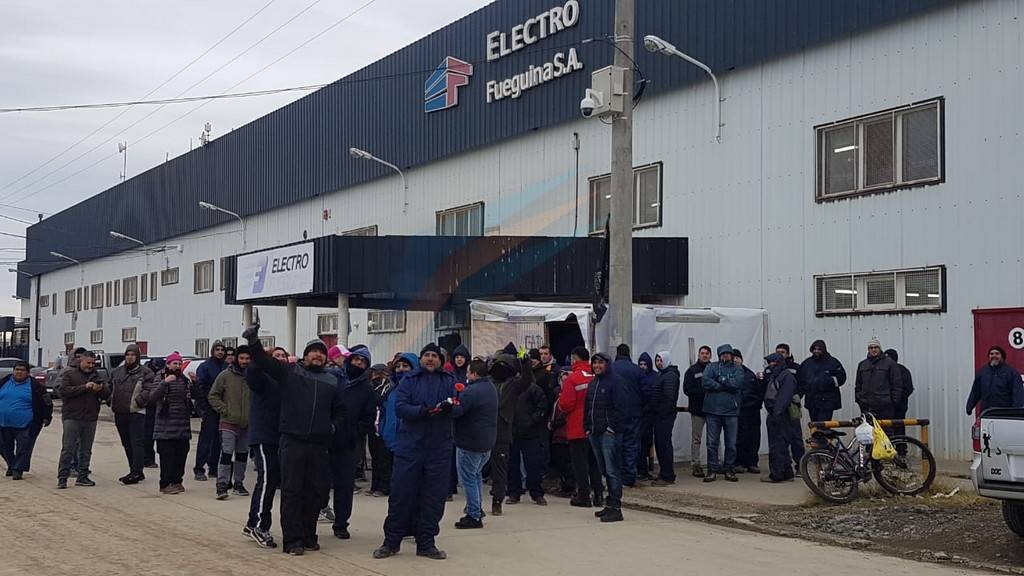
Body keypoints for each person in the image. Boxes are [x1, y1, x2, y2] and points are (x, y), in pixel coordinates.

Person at [244, 327, 345, 557]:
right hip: (292, 441)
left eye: (322, 353)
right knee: (292, 491)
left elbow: (340, 410)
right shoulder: (291, 372)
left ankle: (309, 536)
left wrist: (333, 427)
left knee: (314, 493)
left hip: (318, 445)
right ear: (305, 355)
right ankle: (293, 540)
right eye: (313, 352)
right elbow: (264, 362)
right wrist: (253, 341)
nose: (318, 355)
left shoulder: (332, 380)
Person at [375, 343, 456, 561]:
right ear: (421, 359)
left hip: (438, 449)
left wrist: (451, 408)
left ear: (440, 360)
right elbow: (401, 407)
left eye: (434, 356)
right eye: (426, 355)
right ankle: (391, 542)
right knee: (401, 495)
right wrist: (423, 411)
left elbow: (460, 406)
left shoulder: (448, 381)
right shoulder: (409, 380)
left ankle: (426, 543)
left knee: (433, 498)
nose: (430, 359)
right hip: (410, 447)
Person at [328, 345, 376, 540]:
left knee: (344, 486)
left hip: (348, 443)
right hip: (324, 439)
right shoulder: (332, 378)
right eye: (356, 359)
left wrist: (354, 433)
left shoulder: (367, 389)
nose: (358, 363)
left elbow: (368, 417)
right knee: (317, 483)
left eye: (363, 362)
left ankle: (341, 523)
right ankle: (311, 518)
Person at [244, 346, 287, 549]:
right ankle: (260, 526)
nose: (280, 359)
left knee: (269, 481)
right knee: (267, 479)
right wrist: (257, 355)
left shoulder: (286, 380)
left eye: (283, 356)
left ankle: (252, 522)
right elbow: (252, 374)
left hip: (281, 437)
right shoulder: (262, 378)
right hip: (264, 437)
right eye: (276, 356)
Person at [451, 358, 499, 529]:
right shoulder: (490, 388)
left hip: (470, 441)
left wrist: (450, 404)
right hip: (486, 440)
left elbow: (457, 411)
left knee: (468, 478)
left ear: (474, 373)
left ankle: (473, 514)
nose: (466, 375)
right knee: (476, 475)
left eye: (468, 372)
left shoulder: (471, 391)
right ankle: (476, 508)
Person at [488, 344, 535, 517]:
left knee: (499, 469)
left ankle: (497, 500)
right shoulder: (488, 384)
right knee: (475, 469)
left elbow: (527, 379)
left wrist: (525, 362)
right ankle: (474, 502)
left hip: (502, 431)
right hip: (484, 430)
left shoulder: (513, 385)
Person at [56, 351, 110, 488]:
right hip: (72, 416)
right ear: (81, 361)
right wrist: (84, 387)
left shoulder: (97, 376)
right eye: (88, 363)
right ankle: (62, 478)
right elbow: (63, 391)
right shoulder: (69, 374)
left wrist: (100, 389)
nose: (90, 366)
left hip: (90, 417)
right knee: (68, 448)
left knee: (86, 450)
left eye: (93, 363)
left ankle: (83, 476)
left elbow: (107, 395)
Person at [558, 346, 604, 508]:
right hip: (595, 426)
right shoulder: (596, 376)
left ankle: (584, 495)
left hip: (577, 427)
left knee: (580, 463)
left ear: (574, 359)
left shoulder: (572, 379)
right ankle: (599, 494)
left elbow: (566, 404)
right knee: (594, 462)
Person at [584, 352, 626, 523]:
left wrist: (611, 428)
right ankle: (609, 504)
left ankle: (616, 507)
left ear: (607, 364)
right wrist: (587, 427)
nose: (597, 366)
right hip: (594, 432)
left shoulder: (615, 382)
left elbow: (621, 408)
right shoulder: (593, 383)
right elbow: (588, 408)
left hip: (609, 434)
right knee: (603, 470)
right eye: (594, 363)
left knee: (612, 470)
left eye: (600, 363)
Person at [144, 352, 193, 494]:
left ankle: (177, 481)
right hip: (165, 425)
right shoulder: (160, 377)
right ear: (168, 364)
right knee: (167, 456)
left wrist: (195, 383)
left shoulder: (184, 379)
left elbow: (192, 397)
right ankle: (165, 483)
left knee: (181, 455)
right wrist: (165, 383)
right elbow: (152, 398)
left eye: (179, 364)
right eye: (174, 363)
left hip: (182, 424)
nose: (177, 366)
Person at [209, 345, 253, 500]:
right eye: (241, 358)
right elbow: (213, 395)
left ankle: (238, 483)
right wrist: (225, 410)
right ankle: (222, 485)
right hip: (228, 421)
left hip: (247, 423)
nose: (244, 361)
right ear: (236, 358)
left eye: (247, 358)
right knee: (227, 453)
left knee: (242, 454)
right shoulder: (225, 375)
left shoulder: (253, 376)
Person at [507, 353, 550, 506]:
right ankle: (514, 492)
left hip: (530, 432)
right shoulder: (509, 388)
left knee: (533, 465)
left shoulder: (533, 388)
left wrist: (533, 420)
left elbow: (542, 406)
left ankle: (536, 493)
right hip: (512, 432)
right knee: (512, 465)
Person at [109, 344, 155, 485]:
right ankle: (133, 469)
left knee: (137, 443)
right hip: (120, 412)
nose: (130, 357)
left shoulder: (146, 372)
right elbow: (110, 387)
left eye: (133, 355)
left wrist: (139, 401)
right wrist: (109, 399)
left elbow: (149, 389)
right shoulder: (117, 372)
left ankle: (137, 471)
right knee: (126, 443)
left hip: (136, 412)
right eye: (128, 354)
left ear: (137, 356)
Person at [1, 361, 52, 480]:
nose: (19, 372)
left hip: (27, 424)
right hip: (3, 423)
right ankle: (12, 464)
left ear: (28, 373)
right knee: (3, 446)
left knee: (24, 448)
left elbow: (47, 403)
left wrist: (47, 417)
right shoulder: (4, 382)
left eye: (22, 370)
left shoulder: (36, 387)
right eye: (17, 369)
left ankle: (17, 470)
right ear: (13, 371)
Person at [701, 345, 742, 483]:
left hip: (731, 412)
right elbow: (705, 382)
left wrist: (721, 380)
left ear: (731, 355)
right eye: (723, 353)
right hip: (712, 411)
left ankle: (729, 469)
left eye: (728, 353)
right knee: (712, 443)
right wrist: (723, 386)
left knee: (731, 444)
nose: (725, 355)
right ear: (719, 355)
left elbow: (737, 383)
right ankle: (712, 470)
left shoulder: (738, 368)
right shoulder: (711, 367)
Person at [194, 341, 228, 482]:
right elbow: (200, 388)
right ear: (212, 351)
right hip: (209, 408)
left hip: (223, 408)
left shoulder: (227, 367)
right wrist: (203, 407)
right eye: (217, 349)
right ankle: (199, 468)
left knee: (219, 440)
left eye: (222, 349)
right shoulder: (205, 367)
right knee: (206, 439)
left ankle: (213, 467)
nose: (220, 352)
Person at [762, 353, 798, 483]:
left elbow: (784, 397)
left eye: (772, 362)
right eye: (769, 362)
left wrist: (777, 413)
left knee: (777, 445)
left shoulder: (786, 376)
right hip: (776, 413)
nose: (770, 364)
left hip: (781, 415)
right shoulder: (777, 375)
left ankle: (776, 474)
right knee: (781, 444)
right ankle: (787, 473)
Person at [611, 344, 643, 487]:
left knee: (615, 445)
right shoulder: (637, 370)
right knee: (631, 445)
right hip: (634, 412)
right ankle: (629, 476)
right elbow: (645, 390)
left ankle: (615, 475)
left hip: (615, 413)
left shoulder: (611, 369)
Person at [798, 340, 847, 424]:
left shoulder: (833, 362)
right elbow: (801, 381)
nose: (816, 351)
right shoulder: (807, 363)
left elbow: (842, 377)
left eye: (819, 349)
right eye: (814, 349)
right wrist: (799, 395)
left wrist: (828, 381)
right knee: (814, 426)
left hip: (827, 402)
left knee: (823, 426)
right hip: (812, 402)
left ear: (824, 350)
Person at [733, 350, 766, 474]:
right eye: (733, 358)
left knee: (754, 437)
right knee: (740, 437)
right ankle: (739, 462)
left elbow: (759, 391)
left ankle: (752, 462)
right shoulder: (730, 374)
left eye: (738, 357)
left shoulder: (750, 374)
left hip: (753, 411)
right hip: (738, 411)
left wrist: (757, 404)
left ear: (741, 359)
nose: (736, 360)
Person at [855, 338, 904, 420]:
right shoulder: (862, 364)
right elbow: (858, 384)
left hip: (885, 406)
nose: (873, 349)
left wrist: (893, 402)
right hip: (866, 406)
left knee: (886, 427)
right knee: (868, 427)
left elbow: (896, 384)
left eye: (876, 347)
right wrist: (859, 399)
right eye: (871, 347)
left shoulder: (890, 363)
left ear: (880, 348)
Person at [966, 346, 1024, 414]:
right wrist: (969, 407)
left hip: (1004, 413)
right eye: (991, 354)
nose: (994, 356)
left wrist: (1016, 411)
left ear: (1002, 356)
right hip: (986, 412)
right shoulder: (983, 372)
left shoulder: (1011, 372)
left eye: (997, 353)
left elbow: (1018, 393)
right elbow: (975, 391)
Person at [650, 352, 679, 485]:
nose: (658, 363)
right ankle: (664, 472)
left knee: (664, 444)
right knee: (661, 444)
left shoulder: (669, 376)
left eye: (661, 360)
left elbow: (669, 397)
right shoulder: (663, 375)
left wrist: (661, 412)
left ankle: (667, 475)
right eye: (657, 360)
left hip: (664, 415)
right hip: (660, 415)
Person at [776, 343, 804, 475]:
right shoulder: (772, 368)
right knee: (780, 437)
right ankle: (784, 466)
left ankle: (800, 465)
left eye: (782, 352)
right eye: (778, 352)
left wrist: (796, 396)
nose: (780, 354)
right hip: (778, 407)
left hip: (792, 406)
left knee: (795, 436)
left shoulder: (796, 368)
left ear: (787, 353)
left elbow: (803, 384)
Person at [683, 346, 712, 477]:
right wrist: (704, 392)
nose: (704, 355)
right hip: (697, 410)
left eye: (707, 353)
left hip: (712, 410)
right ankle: (696, 465)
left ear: (710, 355)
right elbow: (687, 389)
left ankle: (715, 463)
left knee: (714, 439)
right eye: (702, 353)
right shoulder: (692, 371)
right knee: (696, 439)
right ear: (699, 355)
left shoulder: (714, 369)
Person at [366, 363, 393, 498]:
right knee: (375, 456)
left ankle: (384, 486)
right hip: (372, 425)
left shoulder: (388, 387)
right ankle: (375, 485)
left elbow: (381, 401)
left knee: (384, 457)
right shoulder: (371, 386)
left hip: (382, 424)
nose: (375, 375)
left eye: (378, 372)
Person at [636, 352, 659, 482]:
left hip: (649, 414)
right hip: (642, 415)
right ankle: (642, 470)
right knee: (642, 443)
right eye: (641, 364)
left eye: (645, 364)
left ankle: (645, 469)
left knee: (647, 442)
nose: (643, 366)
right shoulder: (640, 376)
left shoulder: (654, 377)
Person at [885, 349, 915, 437]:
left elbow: (908, 389)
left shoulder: (902, 370)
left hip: (899, 407)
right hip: (885, 407)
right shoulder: (883, 370)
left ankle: (900, 445)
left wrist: (896, 400)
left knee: (898, 429)